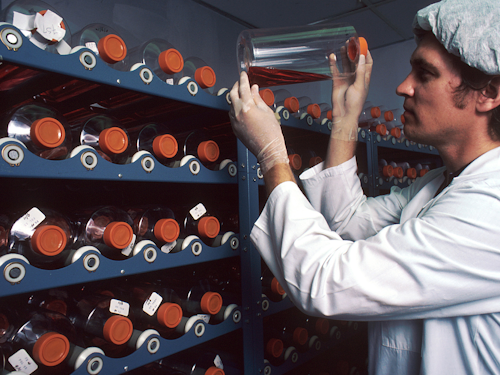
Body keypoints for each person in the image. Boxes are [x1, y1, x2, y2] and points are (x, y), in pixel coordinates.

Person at [229, 0, 500, 374]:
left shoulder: (491, 210)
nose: (403, 87)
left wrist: (273, 155)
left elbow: (323, 282)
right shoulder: (438, 184)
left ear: (488, 93)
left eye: (425, 74)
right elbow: (345, 222)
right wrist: (345, 118)